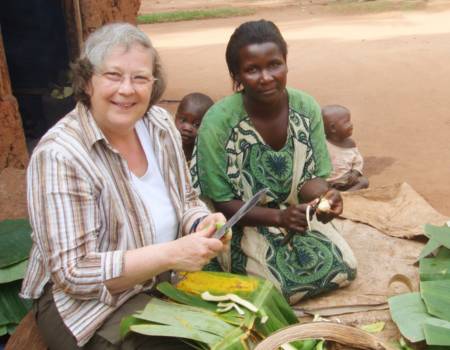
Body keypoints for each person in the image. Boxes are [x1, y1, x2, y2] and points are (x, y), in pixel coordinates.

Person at [20, 23, 228, 350]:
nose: (127, 90)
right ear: (88, 81)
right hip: (88, 308)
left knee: (241, 329)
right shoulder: (61, 155)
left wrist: (201, 222)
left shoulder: (159, 125)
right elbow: (74, 273)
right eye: (113, 75)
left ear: (153, 84)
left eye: (140, 78)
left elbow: (185, 199)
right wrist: (172, 253)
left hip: (156, 284)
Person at [191, 19, 357, 304]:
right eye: (252, 69)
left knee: (345, 268)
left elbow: (310, 180)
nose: (266, 77)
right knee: (276, 290)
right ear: (237, 75)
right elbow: (221, 202)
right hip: (233, 222)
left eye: (274, 64)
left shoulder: (305, 108)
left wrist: (324, 198)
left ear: (286, 64)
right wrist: (278, 218)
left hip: (290, 213)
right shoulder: (219, 122)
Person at [322, 104, 369, 191]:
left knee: (364, 182)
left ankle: (346, 195)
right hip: (327, 183)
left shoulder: (350, 144)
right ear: (333, 128)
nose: (351, 124)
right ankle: (335, 195)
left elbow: (358, 161)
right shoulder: (323, 144)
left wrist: (355, 173)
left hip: (345, 181)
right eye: (347, 122)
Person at [174, 92, 213, 162]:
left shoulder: (206, 154)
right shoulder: (166, 145)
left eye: (197, 124)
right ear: (175, 117)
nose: (187, 128)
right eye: (183, 120)